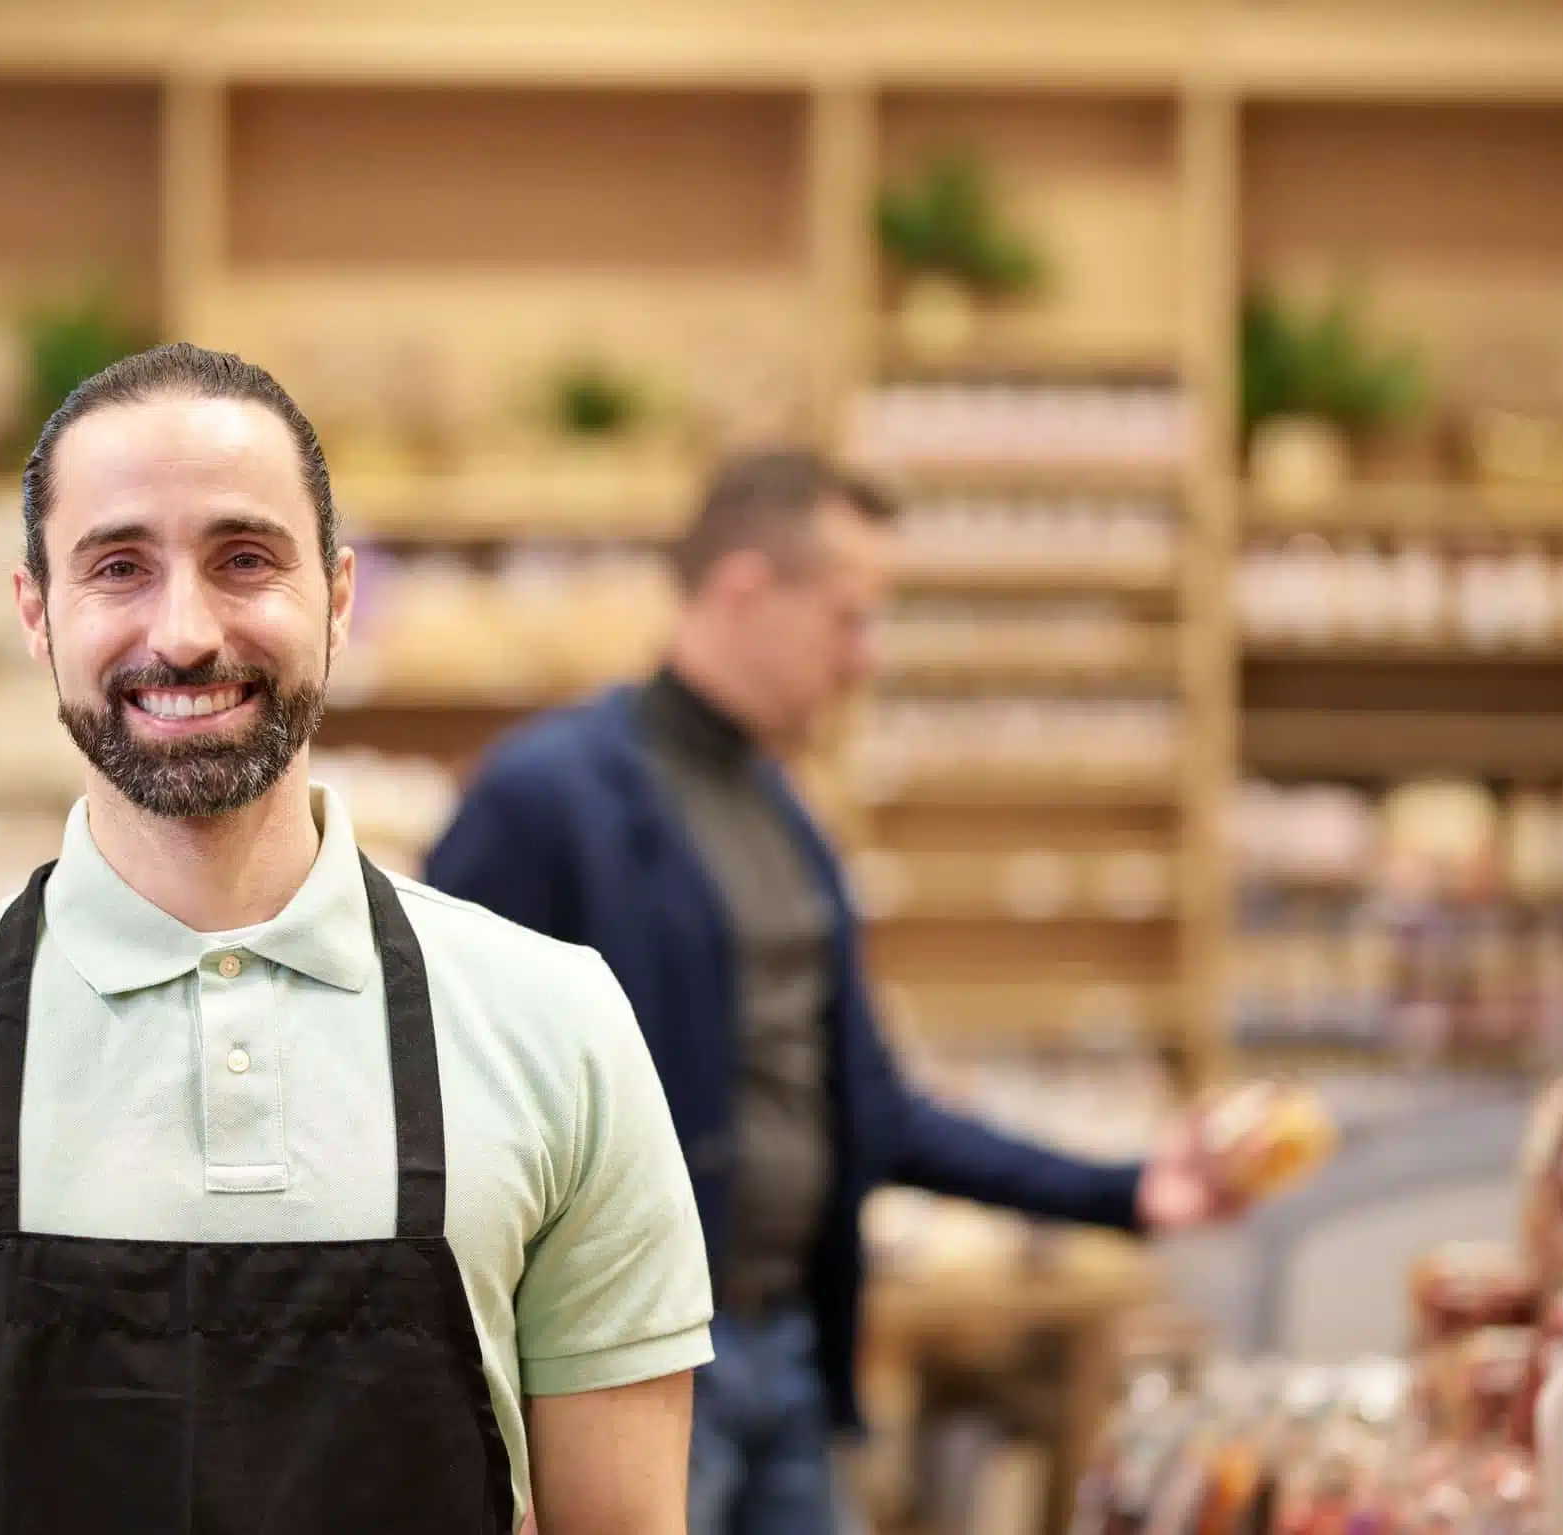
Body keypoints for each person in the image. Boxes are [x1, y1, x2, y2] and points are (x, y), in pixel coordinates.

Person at [0, 344, 713, 1535]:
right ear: (37, 613)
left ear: (337, 595)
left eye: (244, 561)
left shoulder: (559, 1025)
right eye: (117, 567)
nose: (182, 633)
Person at [424, 449, 1234, 1535]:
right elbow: (436, 1089)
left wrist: (1124, 1190)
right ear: (745, 587)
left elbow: (872, 1106)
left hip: (788, 1351)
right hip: (624, 1365)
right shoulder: (543, 796)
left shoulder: (784, 812)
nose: (864, 659)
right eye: (848, 618)